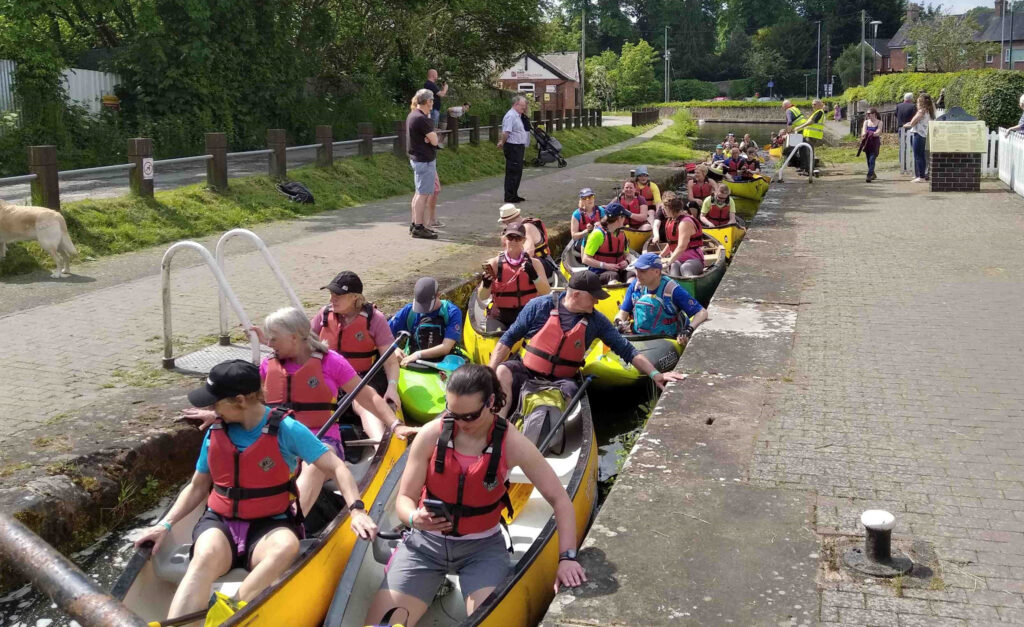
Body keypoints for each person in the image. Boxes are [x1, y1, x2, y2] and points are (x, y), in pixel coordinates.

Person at [136, 360, 377, 622]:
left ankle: (230, 610)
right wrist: (167, 525)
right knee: (202, 558)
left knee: (287, 546)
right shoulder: (216, 431)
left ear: (239, 401)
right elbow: (196, 487)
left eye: (216, 402)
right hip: (221, 523)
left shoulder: (287, 429)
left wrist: (356, 511)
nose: (211, 409)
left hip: (269, 524)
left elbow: (337, 467)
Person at [362, 364, 586, 627]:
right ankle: (430, 585)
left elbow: (560, 500)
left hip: (482, 550)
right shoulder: (431, 434)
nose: (459, 423)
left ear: (491, 402)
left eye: (469, 416)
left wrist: (567, 558)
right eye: (452, 413)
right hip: (425, 547)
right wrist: (413, 518)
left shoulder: (513, 443)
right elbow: (404, 499)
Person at [185, 307, 412, 515]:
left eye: (274, 338)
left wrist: (395, 425)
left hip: (322, 440)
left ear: (294, 336)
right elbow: (247, 404)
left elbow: (368, 396)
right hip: (278, 438)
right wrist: (216, 414)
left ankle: (292, 518)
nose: (269, 343)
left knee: (315, 466)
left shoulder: (331, 362)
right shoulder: (268, 365)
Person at [488, 271, 685, 416]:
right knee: (503, 371)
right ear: (575, 295)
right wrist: (488, 375)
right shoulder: (539, 306)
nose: (597, 303)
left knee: (570, 394)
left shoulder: (596, 321)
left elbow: (628, 350)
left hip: (561, 381)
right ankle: (499, 423)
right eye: (594, 298)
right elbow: (507, 340)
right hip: (527, 370)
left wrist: (656, 374)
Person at [313, 271, 404, 434]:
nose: (331, 299)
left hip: (362, 377)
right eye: (331, 294)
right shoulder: (324, 314)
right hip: (330, 376)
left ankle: (378, 446)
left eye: (338, 295)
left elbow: (390, 362)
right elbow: (304, 342)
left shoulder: (374, 319)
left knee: (361, 403)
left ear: (355, 297)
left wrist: (392, 388)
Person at [614, 253, 708, 346]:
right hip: (640, 339)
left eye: (643, 271)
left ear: (657, 272)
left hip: (666, 340)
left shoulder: (672, 289)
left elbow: (702, 312)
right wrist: (619, 322)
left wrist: (688, 330)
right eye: (637, 270)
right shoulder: (635, 286)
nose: (637, 275)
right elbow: (622, 313)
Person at [478, 221, 551, 327]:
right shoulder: (493, 264)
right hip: (501, 317)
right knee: (496, 338)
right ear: (505, 239)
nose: (513, 241)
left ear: (524, 240)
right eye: (510, 237)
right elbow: (482, 297)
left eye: (518, 238)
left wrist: (534, 276)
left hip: (528, 314)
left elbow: (546, 291)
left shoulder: (535, 264)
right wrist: (486, 284)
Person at [390, 277, 463, 367]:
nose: (423, 309)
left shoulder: (452, 312)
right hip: (413, 363)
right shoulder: (409, 311)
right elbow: (384, 334)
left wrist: (418, 355)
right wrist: (394, 349)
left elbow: (446, 347)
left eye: (427, 304)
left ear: (438, 295)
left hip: (443, 362)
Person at [406, 90, 440, 240]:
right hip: (424, 160)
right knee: (423, 194)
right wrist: (431, 138)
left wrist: (429, 138)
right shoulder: (422, 119)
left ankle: (415, 223)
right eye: (432, 100)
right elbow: (435, 141)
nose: (433, 102)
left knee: (418, 193)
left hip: (417, 159)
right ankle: (419, 226)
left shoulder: (413, 115)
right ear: (428, 102)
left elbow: (430, 138)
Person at [497, 203, 557, 281]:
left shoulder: (526, 228)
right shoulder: (517, 229)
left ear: (507, 222)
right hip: (534, 263)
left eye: (504, 223)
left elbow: (529, 252)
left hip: (543, 264)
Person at [581, 202, 634, 284]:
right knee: (613, 276)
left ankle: (632, 295)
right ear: (619, 218)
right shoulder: (597, 234)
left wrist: (626, 261)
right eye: (624, 217)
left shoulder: (621, 234)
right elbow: (585, 259)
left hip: (617, 271)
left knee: (631, 275)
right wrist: (605, 265)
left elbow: (627, 254)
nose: (625, 219)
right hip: (598, 272)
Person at [658, 195, 705, 277]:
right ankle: (675, 288)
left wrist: (669, 261)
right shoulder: (671, 220)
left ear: (670, 209)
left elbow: (682, 246)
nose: (663, 211)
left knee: (685, 267)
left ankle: (690, 287)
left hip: (694, 259)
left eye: (664, 209)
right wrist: (660, 256)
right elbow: (672, 243)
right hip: (678, 259)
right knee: (674, 267)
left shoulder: (685, 222)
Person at [497, 96, 530, 203]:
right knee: (512, 172)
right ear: (516, 105)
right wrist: (502, 142)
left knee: (518, 172)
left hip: (519, 146)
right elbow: (506, 131)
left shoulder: (518, 116)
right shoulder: (510, 116)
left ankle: (514, 194)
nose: (524, 108)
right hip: (513, 147)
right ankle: (509, 196)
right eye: (522, 106)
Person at [903, 92, 935, 183]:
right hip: (924, 134)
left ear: (921, 103)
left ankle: (921, 176)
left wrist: (907, 125)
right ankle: (921, 175)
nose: (916, 104)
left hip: (918, 134)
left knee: (918, 155)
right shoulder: (929, 111)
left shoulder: (921, 111)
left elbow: (912, 122)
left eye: (918, 103)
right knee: (921, 156)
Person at [859, 108, 881, 183]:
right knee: (868, 159)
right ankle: (873, 173)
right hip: (867, 142)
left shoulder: (879, 122)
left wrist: (872, 133)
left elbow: (878, 132)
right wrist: (864, 134)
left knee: (872, 159)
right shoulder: (866, 122)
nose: (868, 116)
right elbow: (863, 131)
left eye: (870, 114)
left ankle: (869, 175)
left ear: (874, 114)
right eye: (867, 114)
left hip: (875, 143)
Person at [895, 92, 917, 169]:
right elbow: (915, 117)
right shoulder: (913, 106)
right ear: (911, 99)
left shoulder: (898, 106)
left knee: (902, 146)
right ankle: (914, 164)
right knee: (912, 146)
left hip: (901, 128)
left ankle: (902, 164)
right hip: (910, 128)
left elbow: (896, 114)